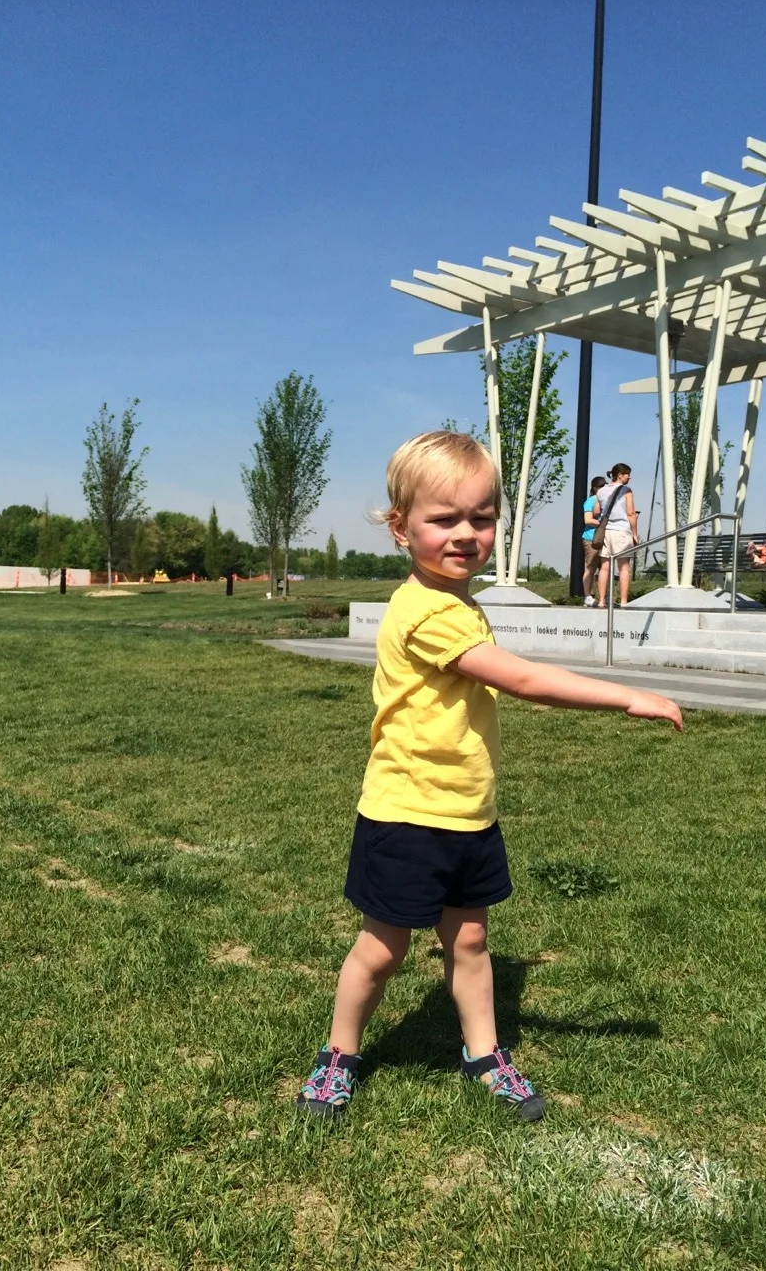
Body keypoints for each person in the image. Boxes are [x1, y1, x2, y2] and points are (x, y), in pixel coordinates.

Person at [296, 432, 682, 1123]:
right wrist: (627, 695)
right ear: (400, 527)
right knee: (381, 950)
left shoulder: (459, 603)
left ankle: (483, 1051)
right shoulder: (426, 611)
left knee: (470, 941)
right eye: (444, 519)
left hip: (468, 813)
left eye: (482, 517)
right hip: (408, 814)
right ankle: (339, 1054)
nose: (466, 534)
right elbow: (526, 680)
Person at [595, 463, 639, 608]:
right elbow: (631, 513)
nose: (630, 477)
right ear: (620, 475)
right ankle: (624, 601)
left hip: (606, 531)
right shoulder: (626, 490)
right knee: (624, 568)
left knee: (604, 567)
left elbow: (596, 511)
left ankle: (601, 601)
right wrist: (635, 534)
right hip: (622, 530)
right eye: (628, 474)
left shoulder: (601, 491)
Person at [581, 474, 606, 607]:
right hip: (591, 538)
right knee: (591, 567)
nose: (604, 488)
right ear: (595, 488)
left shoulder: (606, 500)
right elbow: (587, 520)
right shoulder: (591, 501)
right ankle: (587, 596)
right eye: (601, 486)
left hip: (605, 539)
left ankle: (603, 597)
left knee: (605, 568)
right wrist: (603, 524)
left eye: (605, 485)